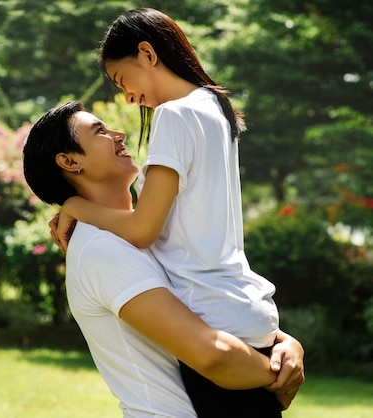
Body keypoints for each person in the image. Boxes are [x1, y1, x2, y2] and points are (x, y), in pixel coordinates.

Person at [50, 8, 302, 417]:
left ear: (147, 54)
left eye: (122, 81)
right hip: (246, 308)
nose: (128, 98)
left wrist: (76, 205)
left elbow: (144, 230)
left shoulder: (174, 114)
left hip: (213, 317)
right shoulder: (214, 107)